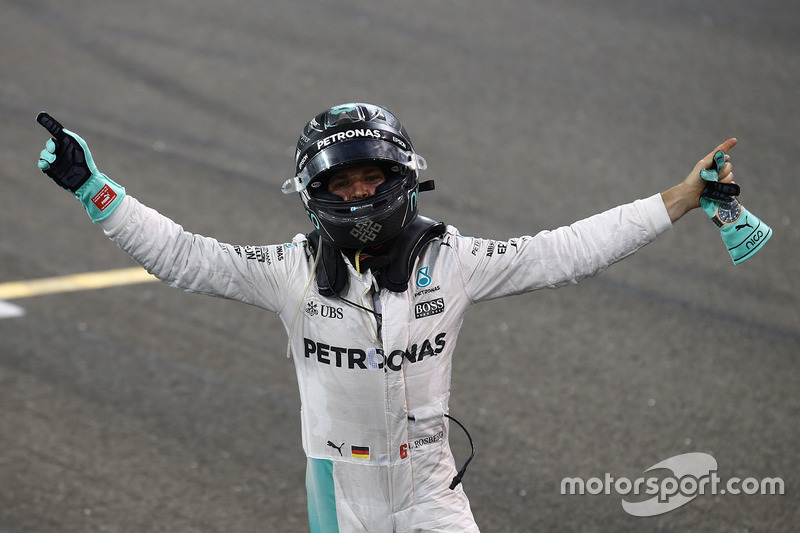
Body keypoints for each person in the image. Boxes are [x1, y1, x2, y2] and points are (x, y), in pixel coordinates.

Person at [36, 103, 737, 532]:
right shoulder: (290, 270)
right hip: (340, 497)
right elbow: (183, 256)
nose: (360, 191)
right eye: (342, 181)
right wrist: (94, 189)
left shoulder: (453, 258)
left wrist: (679, 196)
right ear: (314, 194)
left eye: (371, 176)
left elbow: (566, 250)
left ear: (403, 179)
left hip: (429, 486)